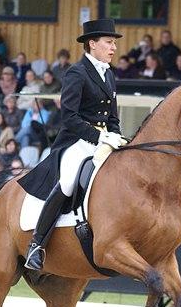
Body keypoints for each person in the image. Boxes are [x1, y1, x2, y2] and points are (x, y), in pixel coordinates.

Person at [18, 18, 126, 270]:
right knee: (67, 182)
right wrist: (100, 137)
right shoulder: (76, 73)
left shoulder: (109, 74)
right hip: (77, 141)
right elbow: (69, 117)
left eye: (113, 43)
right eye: (109, 42)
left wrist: (116, 135)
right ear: (92, 44)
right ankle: (37, 244)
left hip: (104, 141)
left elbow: (112, 116)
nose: (113, 48)